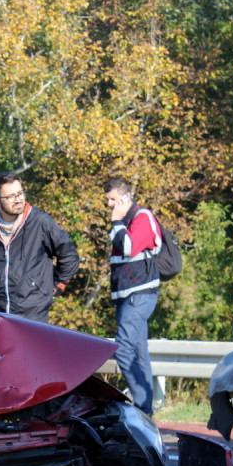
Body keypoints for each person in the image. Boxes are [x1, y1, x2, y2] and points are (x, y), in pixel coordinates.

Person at [0, 172, 79, 323]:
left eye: (20, 193)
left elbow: (69, 256)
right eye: (11, 196)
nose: (18, 199)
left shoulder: (40, 222)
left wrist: (56, 285)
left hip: (33, 312)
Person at [104, 177, 162, 415]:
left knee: (123, 347)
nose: (109, 205)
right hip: (128, 295)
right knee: (138, 351)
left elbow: (128, 247)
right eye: (107, 200)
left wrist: (116, 223)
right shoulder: (126, 220)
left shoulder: (141, 217)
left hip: (140, 294)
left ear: (126, 197)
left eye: (113, 200)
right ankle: (145, 409)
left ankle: (141, 403)